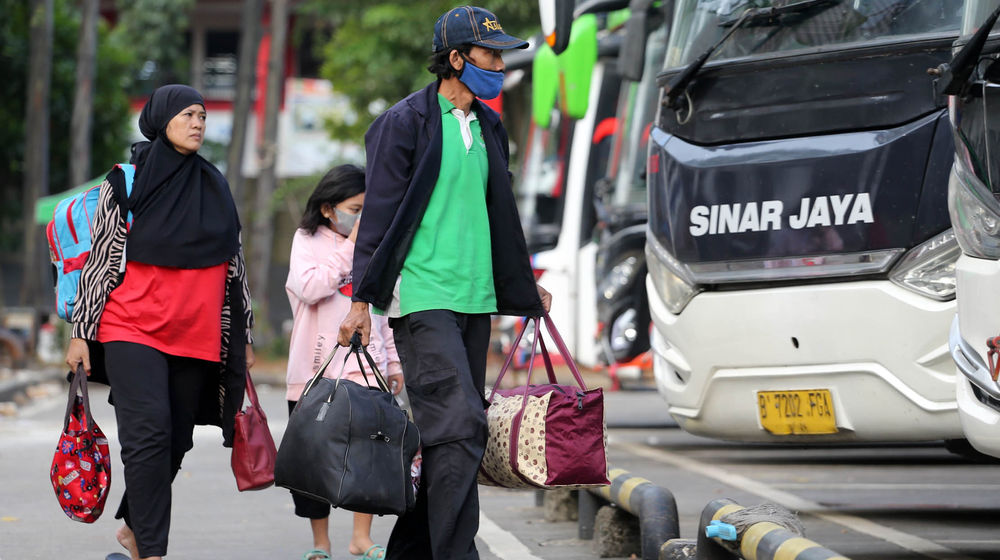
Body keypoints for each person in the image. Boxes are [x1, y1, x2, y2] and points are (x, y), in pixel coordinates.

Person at [337, 6, 552, 559]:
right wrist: (362, 299)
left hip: (475, 298)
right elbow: (380, 214)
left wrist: (524, 287)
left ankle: (409, 551)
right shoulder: (404, 122)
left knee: (452, 436)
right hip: (423, 296)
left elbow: (499, 214)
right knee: (459, 425)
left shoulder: (488, 125)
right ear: (455, 59)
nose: (500, 66)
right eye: (491, 55)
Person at [64, 84, 254, 560]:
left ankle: (134, 524)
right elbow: (103, 258)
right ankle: (152, 551)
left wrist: (243, 336)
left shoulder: (215, 185)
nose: (197, 123)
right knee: (148, 433)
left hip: (197, 332)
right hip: (132, 327)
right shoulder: (125, 182)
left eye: (203, 116)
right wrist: (82, 332)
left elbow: (235, 265)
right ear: (161, 118)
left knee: (177, 437)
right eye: (187, 114)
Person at [284, 164, 403, 560]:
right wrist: (352, 246)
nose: (362, 217)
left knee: (367, 451)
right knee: (313, 460)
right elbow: (311, 286)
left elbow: (382, 307)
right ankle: (321, 543)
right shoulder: (306, 240)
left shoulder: (376, 246)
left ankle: (361, 537)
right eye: (355, 208)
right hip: (315, 371)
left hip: (366, 367)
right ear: (328, 209)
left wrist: (394, 363)